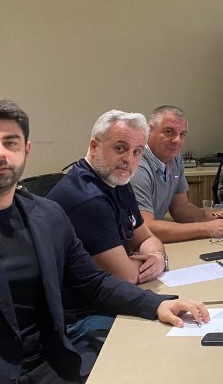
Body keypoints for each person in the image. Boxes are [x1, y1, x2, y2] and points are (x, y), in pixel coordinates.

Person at [0, 100, 208, 383]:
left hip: (47, 365)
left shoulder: (48, 215)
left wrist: (155, 304)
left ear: (25, 151)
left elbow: (93, 283)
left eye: (10, 143)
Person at [46, 109, 169, 359]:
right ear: (94, 146)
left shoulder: (118, 182)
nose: (129, 160)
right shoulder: (86, 198)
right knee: (161, 341)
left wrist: (157, 257)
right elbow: (126, 276)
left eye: (137, 152)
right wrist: (144, 261)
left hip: (103, 299)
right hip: (78, 317)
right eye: (120, 148)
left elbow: (147, 238)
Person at [131, 105, 223, 243]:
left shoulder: (174, 158)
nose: (177, 140)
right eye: (169, 132)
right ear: (149, 130)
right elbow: (144, 228)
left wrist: (213, 217)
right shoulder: (137, 165)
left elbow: (181, 208)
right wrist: (206, 228)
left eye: (182, 134)